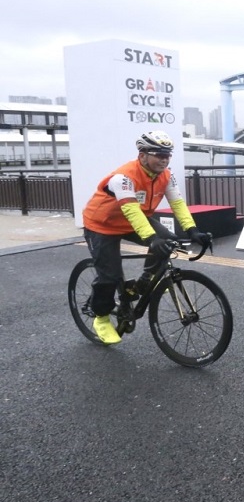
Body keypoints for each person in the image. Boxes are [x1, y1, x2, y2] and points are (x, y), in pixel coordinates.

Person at [82, 131, 211, 345]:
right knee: (110, 276)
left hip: (134, 220)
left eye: (167, 155)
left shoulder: (166, 176)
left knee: (168, 240)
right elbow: (131, 209)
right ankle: (101, 317)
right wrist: (151, 238)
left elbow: (177, 203)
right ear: (142, 156)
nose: (164, 159)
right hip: (102, 225)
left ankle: (141, 283)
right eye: (159, 154)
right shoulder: (123, 177)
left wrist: (192, 230)